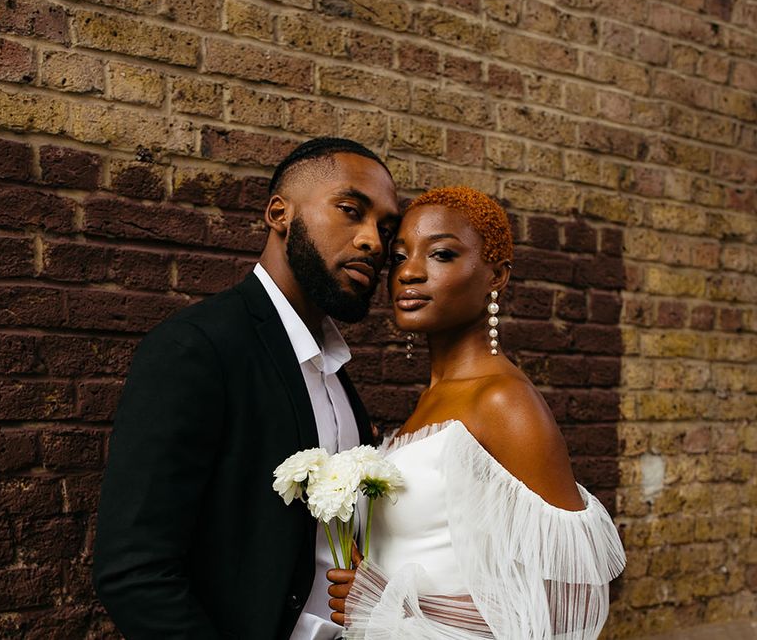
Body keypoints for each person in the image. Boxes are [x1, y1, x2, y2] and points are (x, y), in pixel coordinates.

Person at [92, 137, 401, 639]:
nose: (373, 241)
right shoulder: (197, 348)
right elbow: (134, 571)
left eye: (386, 229)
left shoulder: (335, 370)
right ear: (280, 214)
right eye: (350, 211)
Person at [327, 186, 625, 639]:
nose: (409, 272)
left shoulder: (502, 402)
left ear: (496, 276)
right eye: (400, 257)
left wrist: (378, 598)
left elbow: (569, 602)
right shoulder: (430, 401)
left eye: (442, 255)